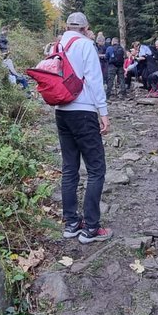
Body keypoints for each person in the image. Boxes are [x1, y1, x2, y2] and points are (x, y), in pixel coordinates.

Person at [55, 12, 113, 244]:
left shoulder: (58, 45)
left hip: (62, 110)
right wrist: (103, 112)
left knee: (70, 168)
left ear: (67, 26)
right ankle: (91, 227)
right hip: (84, 110)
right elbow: (95, 80)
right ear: (86, 27)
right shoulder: (86, 45)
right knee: (96, 169)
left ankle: (71, 223)